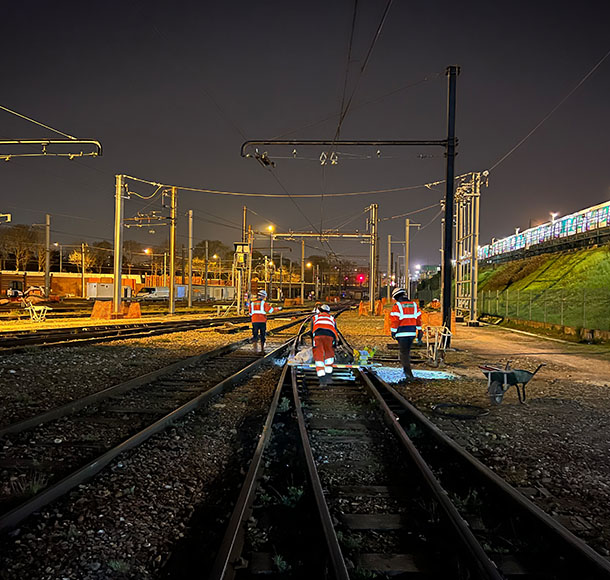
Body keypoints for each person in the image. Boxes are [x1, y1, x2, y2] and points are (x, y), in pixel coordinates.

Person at [390, 288, 422, 381]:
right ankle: (407, 372)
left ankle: (408, 374)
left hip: (401, 333)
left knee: (403, 353)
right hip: (411, 333)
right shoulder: (414, 305)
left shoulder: (397, 306)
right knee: (407, 352)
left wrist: (393, 331)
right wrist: (419, 331)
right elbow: (418, 319)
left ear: (396, 296)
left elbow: (395, 320)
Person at [312, 304, 338, 383]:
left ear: (320, 310)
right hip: (330, 336)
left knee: (318, 354)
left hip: (318, 335)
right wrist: (335, 342)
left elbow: (311, 330)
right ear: (328, 312)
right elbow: (335, 329)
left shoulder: (315, 317)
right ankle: (329, 375)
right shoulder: (332, 318)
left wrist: (313, 341)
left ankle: (321, 377)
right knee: (329, 354)